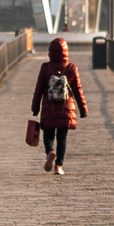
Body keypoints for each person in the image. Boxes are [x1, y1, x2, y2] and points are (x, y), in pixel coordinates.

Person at [31, 37, 87, 176]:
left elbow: (38, 89)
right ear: (66, 52)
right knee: (62, 138)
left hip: (49, 107)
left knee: (48, 135)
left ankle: (50, 152)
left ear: (50, 52)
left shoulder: (45, 67)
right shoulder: (71, 68)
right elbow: (77, 90)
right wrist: (83, 109)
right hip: (65, 108)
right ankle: (59, 166)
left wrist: (35, 107)